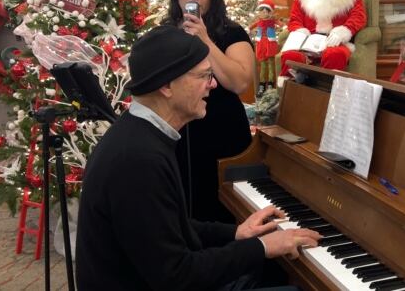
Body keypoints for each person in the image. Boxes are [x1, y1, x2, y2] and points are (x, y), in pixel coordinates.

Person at [76, 25, 320, 290]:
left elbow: (170, 225)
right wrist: (261, 246)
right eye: (204, 75)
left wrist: (236, 233)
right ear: (167, 85)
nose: (213, 84)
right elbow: (177, 275)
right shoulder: (138, 160)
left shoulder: (140, 134)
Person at [166, 0, 256, 222]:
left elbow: (240, 82)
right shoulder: (166, 33)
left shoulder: (232, 32)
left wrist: (205, 39)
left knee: (225, 213)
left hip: (223, 134)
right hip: (179, 136)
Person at [249, 0, 283, 96]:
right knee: (263, 66)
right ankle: (262, 85)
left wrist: (284, 27)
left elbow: (280, 24)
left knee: (271, 65)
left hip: (270, 44)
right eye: (262, 11)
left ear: (270, 12)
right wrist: (249, 29)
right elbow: (251, 26)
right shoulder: (259, 22)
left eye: (266, 11)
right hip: (261, 45)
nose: (264, 13)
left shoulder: (272, 21)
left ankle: (271, 85)